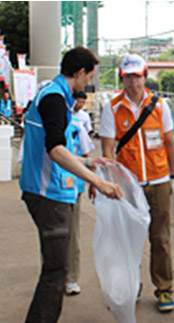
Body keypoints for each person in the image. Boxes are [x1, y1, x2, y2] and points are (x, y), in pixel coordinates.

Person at [18, 46, 122, 323]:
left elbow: (60, 149)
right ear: (79, 73)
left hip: (48, 190)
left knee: (57, 268)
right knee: (55, 270)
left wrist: (88, 163)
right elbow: (55, 150)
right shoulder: (55, 99)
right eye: (90, 76)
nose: (88, 83)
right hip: (47, 194)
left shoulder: (54, 95)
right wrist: (99, 183)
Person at [100, 54, 174, 313]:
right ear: (121, 78)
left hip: (158, 181)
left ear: (145, 76)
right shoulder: (111, 108)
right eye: (128, 77)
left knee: (161, 238)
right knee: (129, 239)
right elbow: (108, 150)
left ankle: (164, 289)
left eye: (137, 76)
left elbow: (170, 142)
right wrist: (111, 184)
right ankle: (132, 285)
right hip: (129, 185)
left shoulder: (160, 106)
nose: (133, 82)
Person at [64, 91, 96, 295]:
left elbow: (86, 154)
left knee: (72, 233)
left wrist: (93, 180)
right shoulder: (41, 124)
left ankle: (71, 278)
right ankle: (55, 276)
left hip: (72, 186)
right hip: (49, 190)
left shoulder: (77, 123)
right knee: (53, 237)